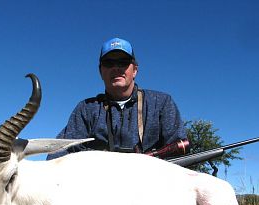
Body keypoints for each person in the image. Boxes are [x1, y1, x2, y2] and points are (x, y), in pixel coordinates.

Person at [47, 37, 188, 160]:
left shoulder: (161, 102)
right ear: (101, 71)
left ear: (135, 70)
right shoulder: (87, 108)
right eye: (109, 63)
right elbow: (58, 151)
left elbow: (180, 149)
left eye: (123, 62)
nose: (116, 68)